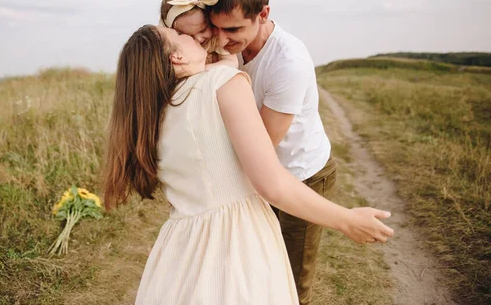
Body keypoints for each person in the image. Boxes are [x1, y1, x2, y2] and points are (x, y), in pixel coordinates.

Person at [103, 25, 394, 304]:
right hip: (237, 241)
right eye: (179, 35)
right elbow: (271, 184)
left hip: (180, 251)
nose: (194, 36)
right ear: (176, 57)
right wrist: (347, 220)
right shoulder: (222, 84)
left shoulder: (152, 117)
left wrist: (222, 64)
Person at [207, 0, 341, 304]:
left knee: (292, 285)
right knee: (255, 274)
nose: (222, 40)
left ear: (263, 14)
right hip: (261, 178)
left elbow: (264, 145)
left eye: (234, 29)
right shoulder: (227, 47)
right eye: (216, 28)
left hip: (302, 175)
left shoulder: (288, 62)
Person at [159, 0, 238, 69]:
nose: (199, 39)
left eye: (203, 30)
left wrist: (200, 69)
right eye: (188, 35)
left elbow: (232, 63)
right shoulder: (172, 47)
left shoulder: (216, 38)